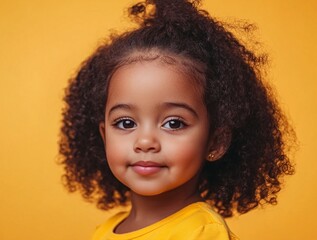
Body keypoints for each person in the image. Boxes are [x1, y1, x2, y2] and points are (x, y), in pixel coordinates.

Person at [59, 0, 296, 239]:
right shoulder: (105, 230)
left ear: (216, 142)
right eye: (126, 123)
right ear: (104, 135)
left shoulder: (202, 233)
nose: (145, 141)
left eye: (174, 123)